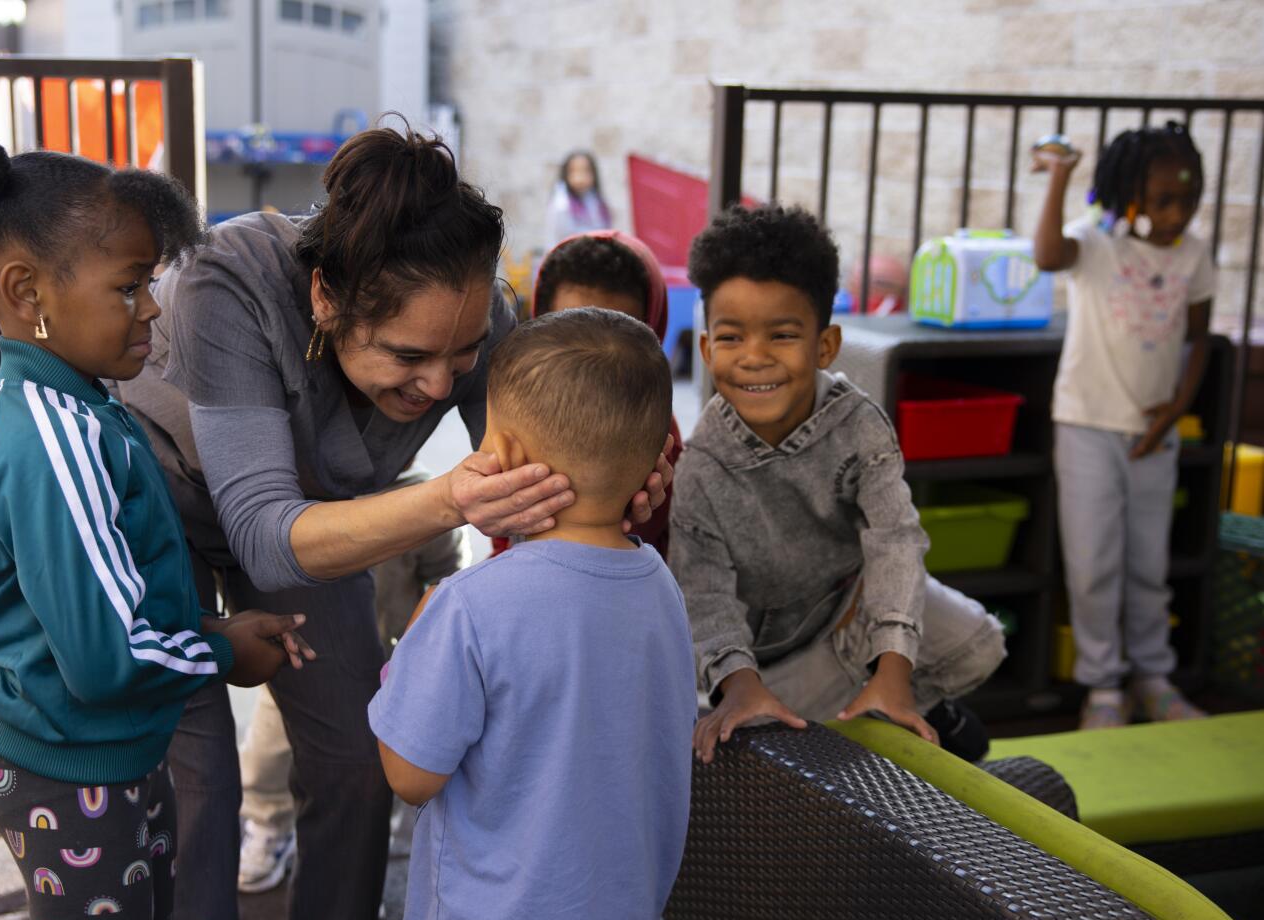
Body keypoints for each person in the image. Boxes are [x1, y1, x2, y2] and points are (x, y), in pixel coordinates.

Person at [116, 123, 673, 920]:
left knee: (354, 758)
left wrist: (616, 486)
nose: (442, 385)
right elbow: (264, 532)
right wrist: (451, 498)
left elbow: (545, 458)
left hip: (323, 520)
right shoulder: (230, 278)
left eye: (463, 354)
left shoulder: (481, 309)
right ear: (325, 297)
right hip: (169, 510)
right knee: (200, 786)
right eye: (409, 356)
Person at [0, 132, 313, 920]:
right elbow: (104, 661)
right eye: (130, 286)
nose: (151, 309)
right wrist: (222, 651)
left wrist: (205, 623)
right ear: (27, 290)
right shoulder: (56, 437)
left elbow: (106, 601)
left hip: (97, 758)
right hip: (76, 776)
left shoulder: (65, 400)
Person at [369, 308, 696, 920]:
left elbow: (410, 775)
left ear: (507, 453)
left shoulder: (470, 606)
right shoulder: (659, 587)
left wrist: (412, 646)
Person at [676, 204, 1004, 766]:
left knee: (981, 643)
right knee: (756, 740)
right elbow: (703, 594)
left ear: (825, 345)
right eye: (731, 337)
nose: (754, 358)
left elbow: (895, 540)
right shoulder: (702, 465)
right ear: (707, 350)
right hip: (781, 653)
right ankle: (868, 710)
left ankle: (900, 701)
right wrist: (740, 682)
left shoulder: (858, 424)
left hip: (855, 607)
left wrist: (894, 668)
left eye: (782, 335)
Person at [1032, 123, 1213, 729]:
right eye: (1163, 200)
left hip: (1155, 434)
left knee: (1148, 563)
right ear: (1126, 192)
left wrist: (1177, 409)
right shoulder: (1097, 242)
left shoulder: (1194, 254)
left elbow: (1199, 338)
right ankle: (1103, 686)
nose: (1176, 214)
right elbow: (1047, 256)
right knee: (1094, 563)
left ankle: (1154, 679)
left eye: (1189, 199)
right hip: (1086, 426)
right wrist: (1059, 177)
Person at [236, 466, 468, 897]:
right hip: (306, 653)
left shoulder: (425, 501)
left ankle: (369, 858)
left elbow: (448, 579)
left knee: (384, 764)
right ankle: (268, 823)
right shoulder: (305, 488)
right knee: (267, 753)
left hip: (389, 660)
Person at [514, 230, 683, 557]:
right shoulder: (518, 414)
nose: (593, 364)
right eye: (571, 337)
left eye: (620, 340)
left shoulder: (663, 448)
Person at [542, 150, 612, 250]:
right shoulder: (561, 205)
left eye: (586, 171)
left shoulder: (597, 203)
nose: (580, 177)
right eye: (574, 171)